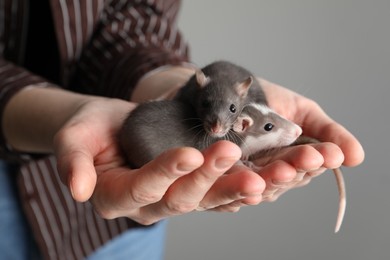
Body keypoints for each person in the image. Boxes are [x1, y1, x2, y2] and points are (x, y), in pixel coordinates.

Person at [0, 0, 364, 259]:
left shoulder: (230, 113)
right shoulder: (225, 125)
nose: (220, 127)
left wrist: (160, 79)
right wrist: (63, 113)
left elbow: (134, 14)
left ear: (242, 116)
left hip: (108, 235)